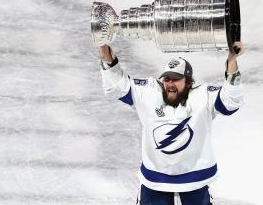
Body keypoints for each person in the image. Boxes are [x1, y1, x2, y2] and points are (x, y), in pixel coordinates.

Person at [95, 40, 244, 205]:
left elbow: (231, 101)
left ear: (188, 82)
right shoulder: (149, 93)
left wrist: (231, 60)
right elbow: (117, 84)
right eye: (167, 79)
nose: (170, 83)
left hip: (195, 177)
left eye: (176, 79)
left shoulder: (203, 97)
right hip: (155, 177)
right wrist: (102, 45)